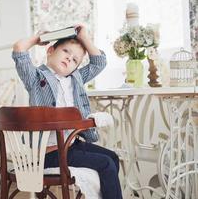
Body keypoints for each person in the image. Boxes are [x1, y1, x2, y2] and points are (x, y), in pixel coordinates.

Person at [12, 24, 122, 199]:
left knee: (113, 157)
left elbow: (99, 62)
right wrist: (38, 39)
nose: (69, 59)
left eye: (75, 60)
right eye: (65, 52)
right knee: (106, 163)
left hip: (72, 144)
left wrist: (84, 37)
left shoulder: (76, 78)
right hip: (49, 153)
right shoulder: (35, 78)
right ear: (50, 50)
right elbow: (19, 50)